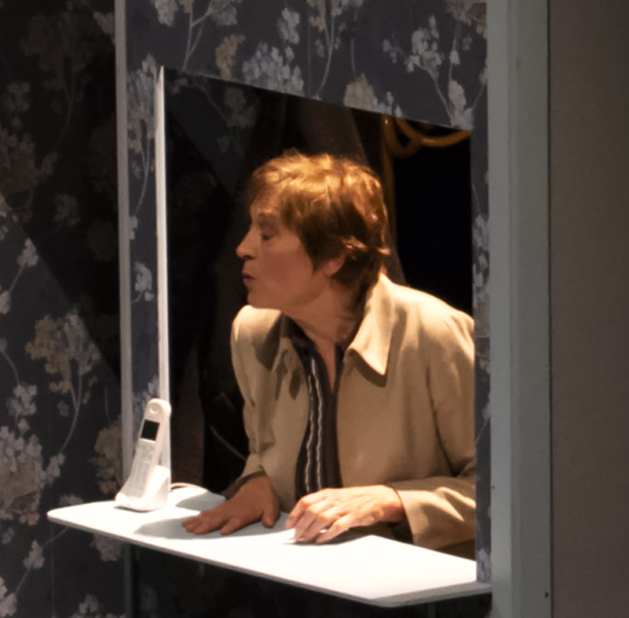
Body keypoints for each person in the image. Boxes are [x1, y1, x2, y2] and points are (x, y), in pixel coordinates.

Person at [182, 152, 476, 554]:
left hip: (420, 586)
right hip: (304, 578)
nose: (243, 248)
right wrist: (257, 482)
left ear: (333, 256)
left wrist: (392, 500)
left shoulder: (434, 334)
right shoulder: (252, 332)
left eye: (266, 235)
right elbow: (263, 452)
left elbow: (508, 491)